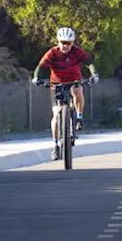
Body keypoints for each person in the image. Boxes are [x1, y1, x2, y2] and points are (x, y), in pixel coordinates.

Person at [32, 27, 98, 161]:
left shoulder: (77, 52)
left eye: (68, 43)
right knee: (56, 115)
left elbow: (89, 63)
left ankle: (79, 117)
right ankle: (56, 145)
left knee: (78, 90)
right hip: (56, 84)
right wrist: (36, 77)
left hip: (73, 81)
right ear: (58, 41)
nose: (65, 46)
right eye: (63, 42)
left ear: (72, 43)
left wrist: (94, 74)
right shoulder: (52, 53)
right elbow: (40, 66)